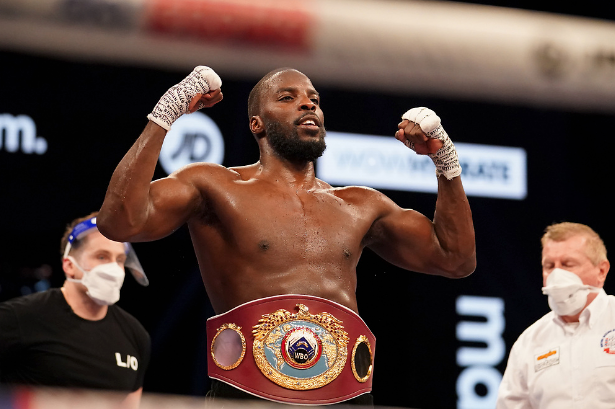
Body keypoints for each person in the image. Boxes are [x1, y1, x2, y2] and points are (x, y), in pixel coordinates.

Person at [97, 66, 476, 405]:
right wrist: (167, 113)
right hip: (247, 393)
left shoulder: (360, 204)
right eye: (288, 98)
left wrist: (444, 159)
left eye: (314, 100)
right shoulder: (214, 185)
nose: (308, 105)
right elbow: (120, 223)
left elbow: (455, 259)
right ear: (257, 123)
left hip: (347, 397)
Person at [0, 212, 151, 409]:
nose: (114, 269)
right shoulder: (19, 317)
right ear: (69, 266)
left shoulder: (136, 335)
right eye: (102, 256)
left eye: (120, 259)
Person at [497, 222, 614, 409]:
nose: (557, 275)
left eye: (568, 265)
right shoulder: (529, 343)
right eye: (549, 266)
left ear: (601, 271)